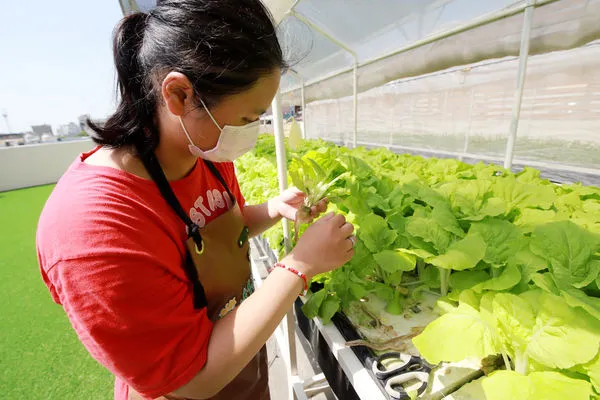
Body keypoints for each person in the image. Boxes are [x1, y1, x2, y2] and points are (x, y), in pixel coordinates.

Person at [35, 1, 356, 399]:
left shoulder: (202, 151)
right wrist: (300, 266)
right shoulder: (93, 226)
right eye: (246, 119)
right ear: (180, 94)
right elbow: (189, 378)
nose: (252, 131)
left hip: (243, 379)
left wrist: (274, 209)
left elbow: (221, 228)